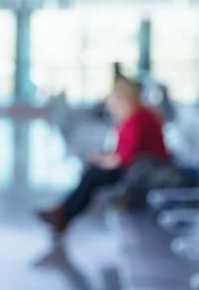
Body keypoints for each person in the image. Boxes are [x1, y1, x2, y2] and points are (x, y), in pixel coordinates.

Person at [37, 77, 168, 235]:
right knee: (92, 172)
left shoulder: (137, 118)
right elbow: (124, 151)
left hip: (145, 170)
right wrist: (104, 158)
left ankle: (63, 213)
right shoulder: (134, 116)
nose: (111, 106)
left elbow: (126, 158)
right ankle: (63, 212)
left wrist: (103, 160)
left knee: (93, 174)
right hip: (139, 166)